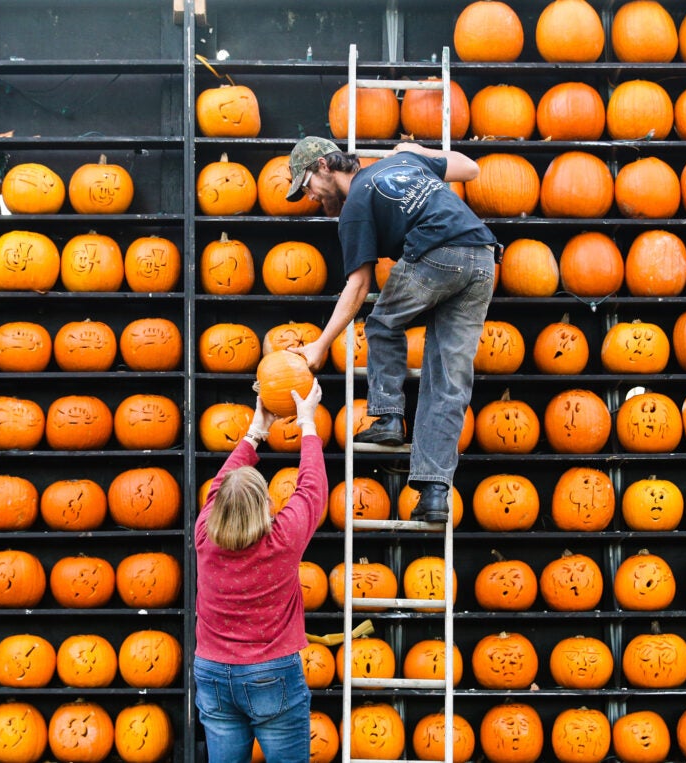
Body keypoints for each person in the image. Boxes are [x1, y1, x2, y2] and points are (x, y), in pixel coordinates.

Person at [285, 136, 497, 524]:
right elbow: (471, 168)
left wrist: (320, 345)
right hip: (482, 258)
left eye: (307, 186)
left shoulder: (354, 209)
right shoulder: (403, 164)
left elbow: (359, 286)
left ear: (323, 167)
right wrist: (418, 152)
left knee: (381, 324)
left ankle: (387, 417)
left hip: (440, 251)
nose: (310, 197)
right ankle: (434, 493)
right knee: (447, 381)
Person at [194, 379, 326, 763]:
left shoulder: (205, 534)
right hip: (271, 672)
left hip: (213, 672)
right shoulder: (281, 540)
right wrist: (307, 423)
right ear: (267, 503)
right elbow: (311, 489)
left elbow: (221, 484)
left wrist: (256, 428)